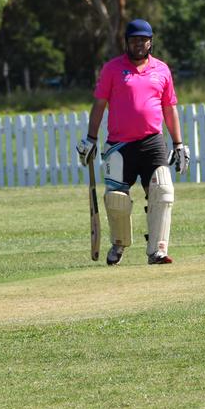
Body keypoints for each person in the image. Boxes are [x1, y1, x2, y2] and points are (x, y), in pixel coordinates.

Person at [75, 19, 190, 265]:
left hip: (152, 142)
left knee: (162, 190)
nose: (139, 44)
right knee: (117, 198)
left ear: (151, 41)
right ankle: (118, 245)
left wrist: (178, 144)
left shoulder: (161, 70)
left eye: (143, 39)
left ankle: (157, 250)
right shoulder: (112, 69)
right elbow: (99, 105)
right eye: (134, 40)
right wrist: (90, 139)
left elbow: (169, 108)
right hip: (120, 144)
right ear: (126, 42)